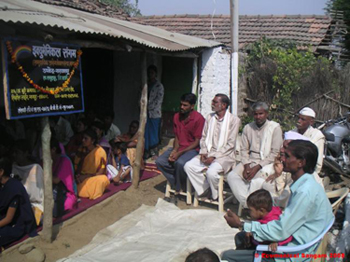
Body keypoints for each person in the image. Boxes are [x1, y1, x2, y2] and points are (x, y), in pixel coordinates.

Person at [222, 140, 334, 262]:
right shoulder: (307, 184)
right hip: (288, 242)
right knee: (241, 237)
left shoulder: (305, 192)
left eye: (287, 156)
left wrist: (241, 224)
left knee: (227, 257)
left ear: (301, 162)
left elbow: (280, 231)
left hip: (288, 253)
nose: (282, 159)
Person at [185, 94, 241, 201]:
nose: (212, 104)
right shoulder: (210, 117)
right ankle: (206, 189)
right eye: (213, 101)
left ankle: (216, 195)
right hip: (208, 152)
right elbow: (204, 137)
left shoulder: (234, 120)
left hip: (225, 155)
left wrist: (214, 157)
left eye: (215, 102)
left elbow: (230, 144)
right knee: (189, 166)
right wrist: (203, 152)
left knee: (211, 172)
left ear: (223, 105)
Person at [227, 102, 283, 207]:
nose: (258, 117)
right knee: (232, 176)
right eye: (255, 114)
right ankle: (247, 203)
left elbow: (275, 153)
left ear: (266, 113)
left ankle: (248, 204)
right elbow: (244, 149)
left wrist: (257, 167)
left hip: (266, 163)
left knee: (257, 181)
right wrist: (247, 166)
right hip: (249, 161)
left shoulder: (275, 128)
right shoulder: (248, 127)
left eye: (261, 114)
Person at [156, 93, 205, 201]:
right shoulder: (176, 116)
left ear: (192, 106)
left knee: (180, 163)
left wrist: (179, 153)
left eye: (185, 105)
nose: (182, 107)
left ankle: (180, 185)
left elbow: (197, 142)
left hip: (192, 149)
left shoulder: (199, 119)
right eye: (181, 104)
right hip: (179, 148)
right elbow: (177, 136)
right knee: (160, 161)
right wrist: (175, 150)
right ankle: (179, 183)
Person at [0, 158, 37, 247]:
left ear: (1, 172)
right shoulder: (2, 186)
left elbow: (8, 218)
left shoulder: (14, 188)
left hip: (15, 225)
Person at [12, 140, 44, 225]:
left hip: (34, 205)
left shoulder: (35, 169)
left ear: (26, 153)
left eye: (17, 152)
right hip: (17, 203)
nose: (14, 155)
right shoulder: (14, 167)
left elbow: (35, 195)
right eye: (13, 152)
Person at [74, 129, 110, 200]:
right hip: (80, 178)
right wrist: (78, 176)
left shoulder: (101, 152)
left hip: (93, 177)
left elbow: (101, 170)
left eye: (86, 139)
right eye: (83, 138)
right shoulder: (81, 150)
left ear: (93, 141)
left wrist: (87, 176)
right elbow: (76, 164)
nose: (83, 140)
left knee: (103, 179)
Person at [293, 107, 325, 174]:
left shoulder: (317, 136)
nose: (299, 121)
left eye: (303, 119)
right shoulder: (292, 132)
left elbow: (318, 164)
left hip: (306, 173)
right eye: (298, 118)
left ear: (311, 122)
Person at [51, 138, 77, 214]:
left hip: (66, 193)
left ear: (53, 149)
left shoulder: (64, 160)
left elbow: (56, 180)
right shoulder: (52, 160)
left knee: (63, 206)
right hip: (52, 190)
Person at [144, 65, 164, 158]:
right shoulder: (144, 84)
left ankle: (154, 151)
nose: (150, 75)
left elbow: (159, 100)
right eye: (149, 73)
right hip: (145, 113)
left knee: (153, 132)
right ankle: (146, 150)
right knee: (145, 131)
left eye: (152, 73)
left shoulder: (159, 86)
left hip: (154, 113)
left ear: (155, 74)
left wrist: (149, 107)